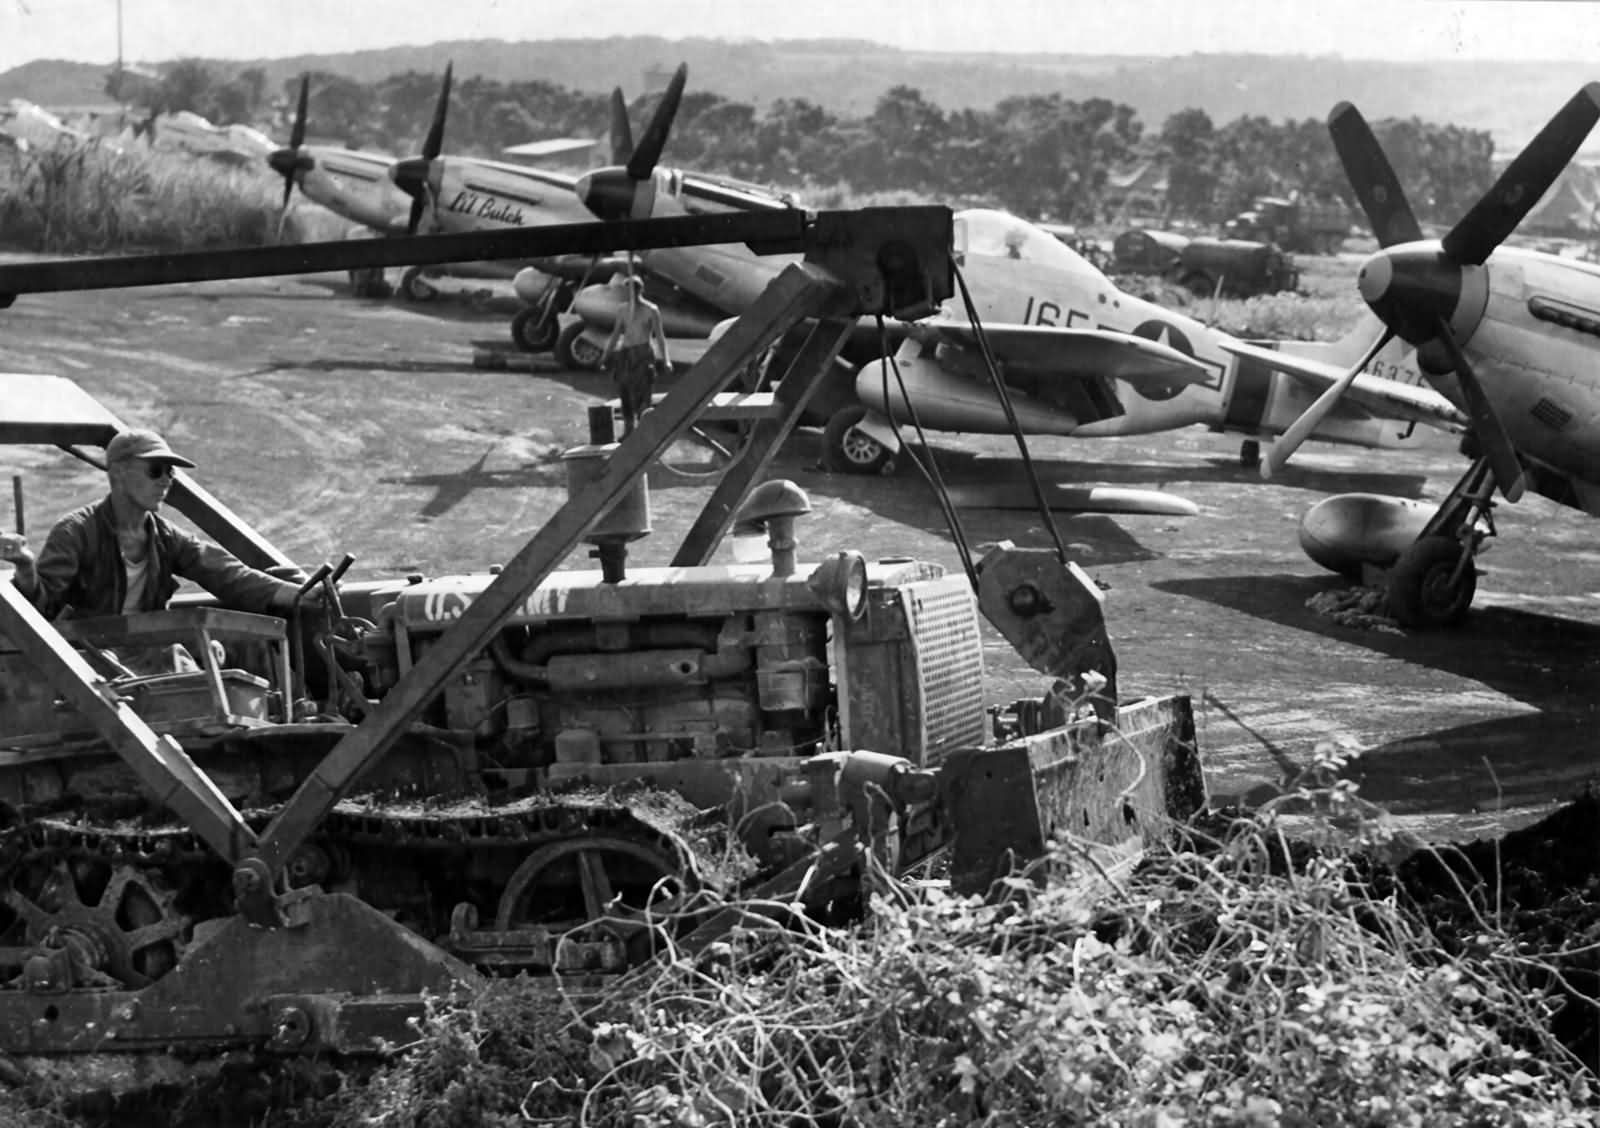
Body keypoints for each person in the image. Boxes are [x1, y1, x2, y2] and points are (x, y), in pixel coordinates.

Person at [0, 428, 313, 626]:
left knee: (246, 653)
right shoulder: (76, 532)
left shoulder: (166, 537)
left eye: (171, 473)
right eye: (155, 469)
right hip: (87, 657)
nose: (166, 480)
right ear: (119, 472)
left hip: (148, 648)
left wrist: (301, 595)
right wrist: (26, 566)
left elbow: (229, 575)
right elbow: (39, 609)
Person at [601, 273, 671, 434]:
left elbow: (660, 337)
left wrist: (666, 360)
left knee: (643, 395)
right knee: (624, 393)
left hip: (643, 355)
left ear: (640, 290)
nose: (630, 292)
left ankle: (643, 432)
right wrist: (606, 355)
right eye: (628, 289)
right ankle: (628, 431)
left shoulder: (651, 310)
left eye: (634, 289)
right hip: (626, 355)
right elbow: (616, 334)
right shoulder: (623, 310)